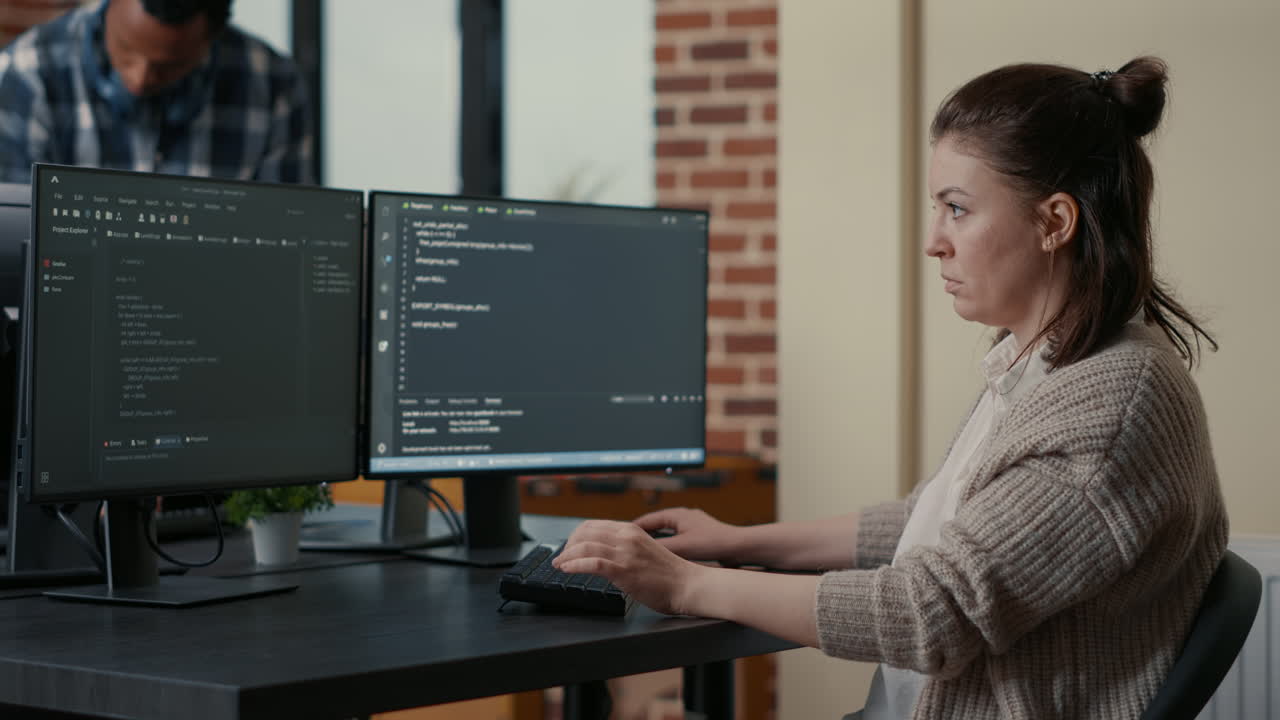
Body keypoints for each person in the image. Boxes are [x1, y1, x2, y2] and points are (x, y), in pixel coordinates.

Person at [554, 56, 1227, 719]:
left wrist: (687, 585)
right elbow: (932, 526)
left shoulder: (1111, 401)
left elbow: (927, 613)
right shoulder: (1045, 361)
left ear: (1055, 222)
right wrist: (739, 540)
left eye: (958, 210)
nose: (934, 241)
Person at [0, 0, 313, 184]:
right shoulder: (30, 71)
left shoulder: (275, 85)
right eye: (124, 51)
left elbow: (286, 240)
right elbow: (14, 242)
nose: (138, 80)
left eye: (169, 67)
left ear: (212, 39)